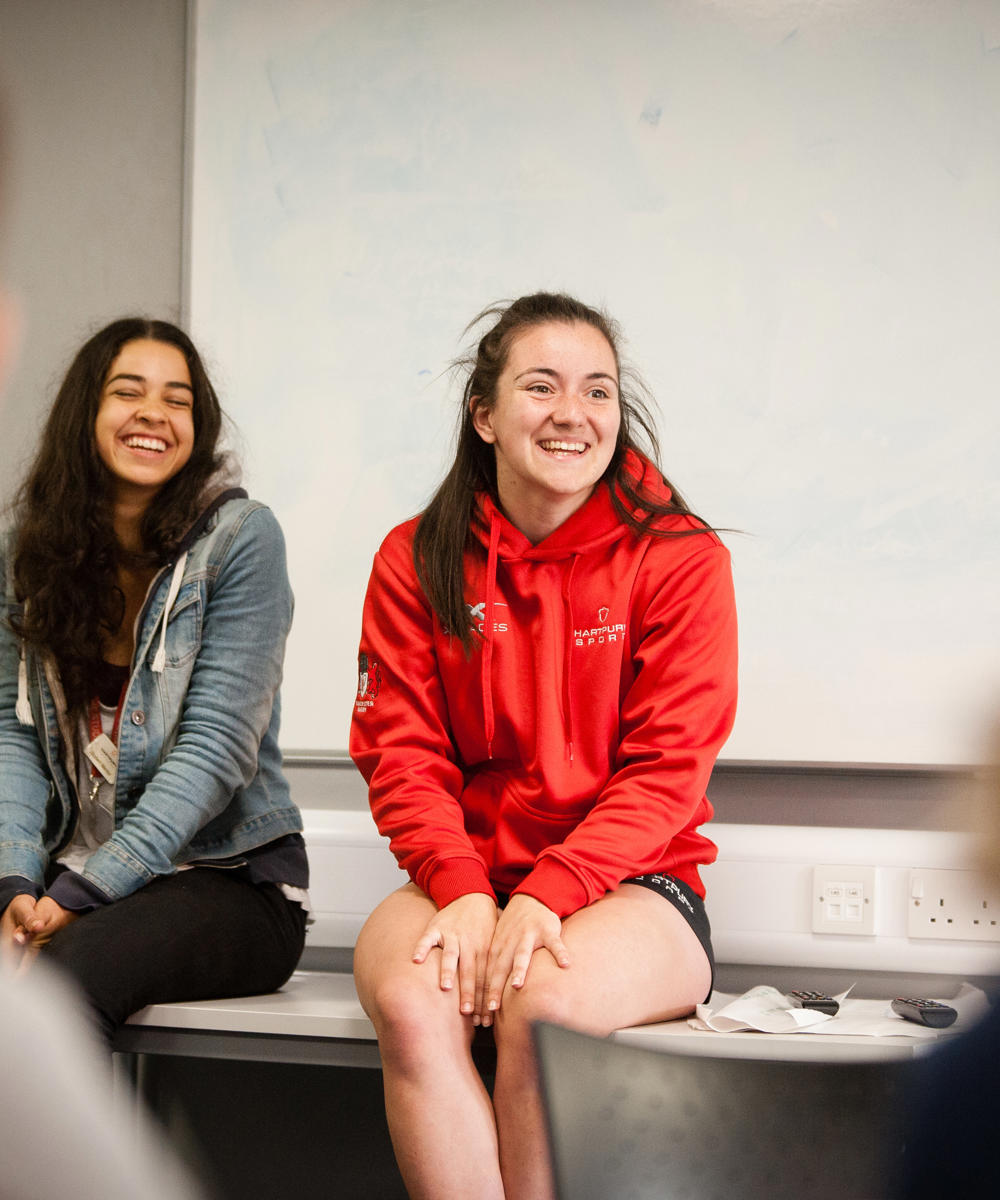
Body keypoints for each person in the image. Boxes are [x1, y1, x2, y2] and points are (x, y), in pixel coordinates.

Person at [350, 292, 738, 1199]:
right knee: (411, 1004)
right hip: (466, 881)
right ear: (483, 414)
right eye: (541, 386)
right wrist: (464, 891)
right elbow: (401, 755)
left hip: (635, 884)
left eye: (598, 391)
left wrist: (548, 896)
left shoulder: (680, 557)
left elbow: (666, 774)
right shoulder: (415, 557)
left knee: (542, 1006)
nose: (574, 413)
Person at [0, 317, 308, 1043]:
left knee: (57, 990)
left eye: (178, 401)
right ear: (87, 413)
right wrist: (15, 879)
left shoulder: (241, 539)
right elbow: (13, 734)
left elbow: (216, 751)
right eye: (128, 392)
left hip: (225, 882)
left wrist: (87, 888)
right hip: (65, 875)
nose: (153, 414)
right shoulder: (27, 552)